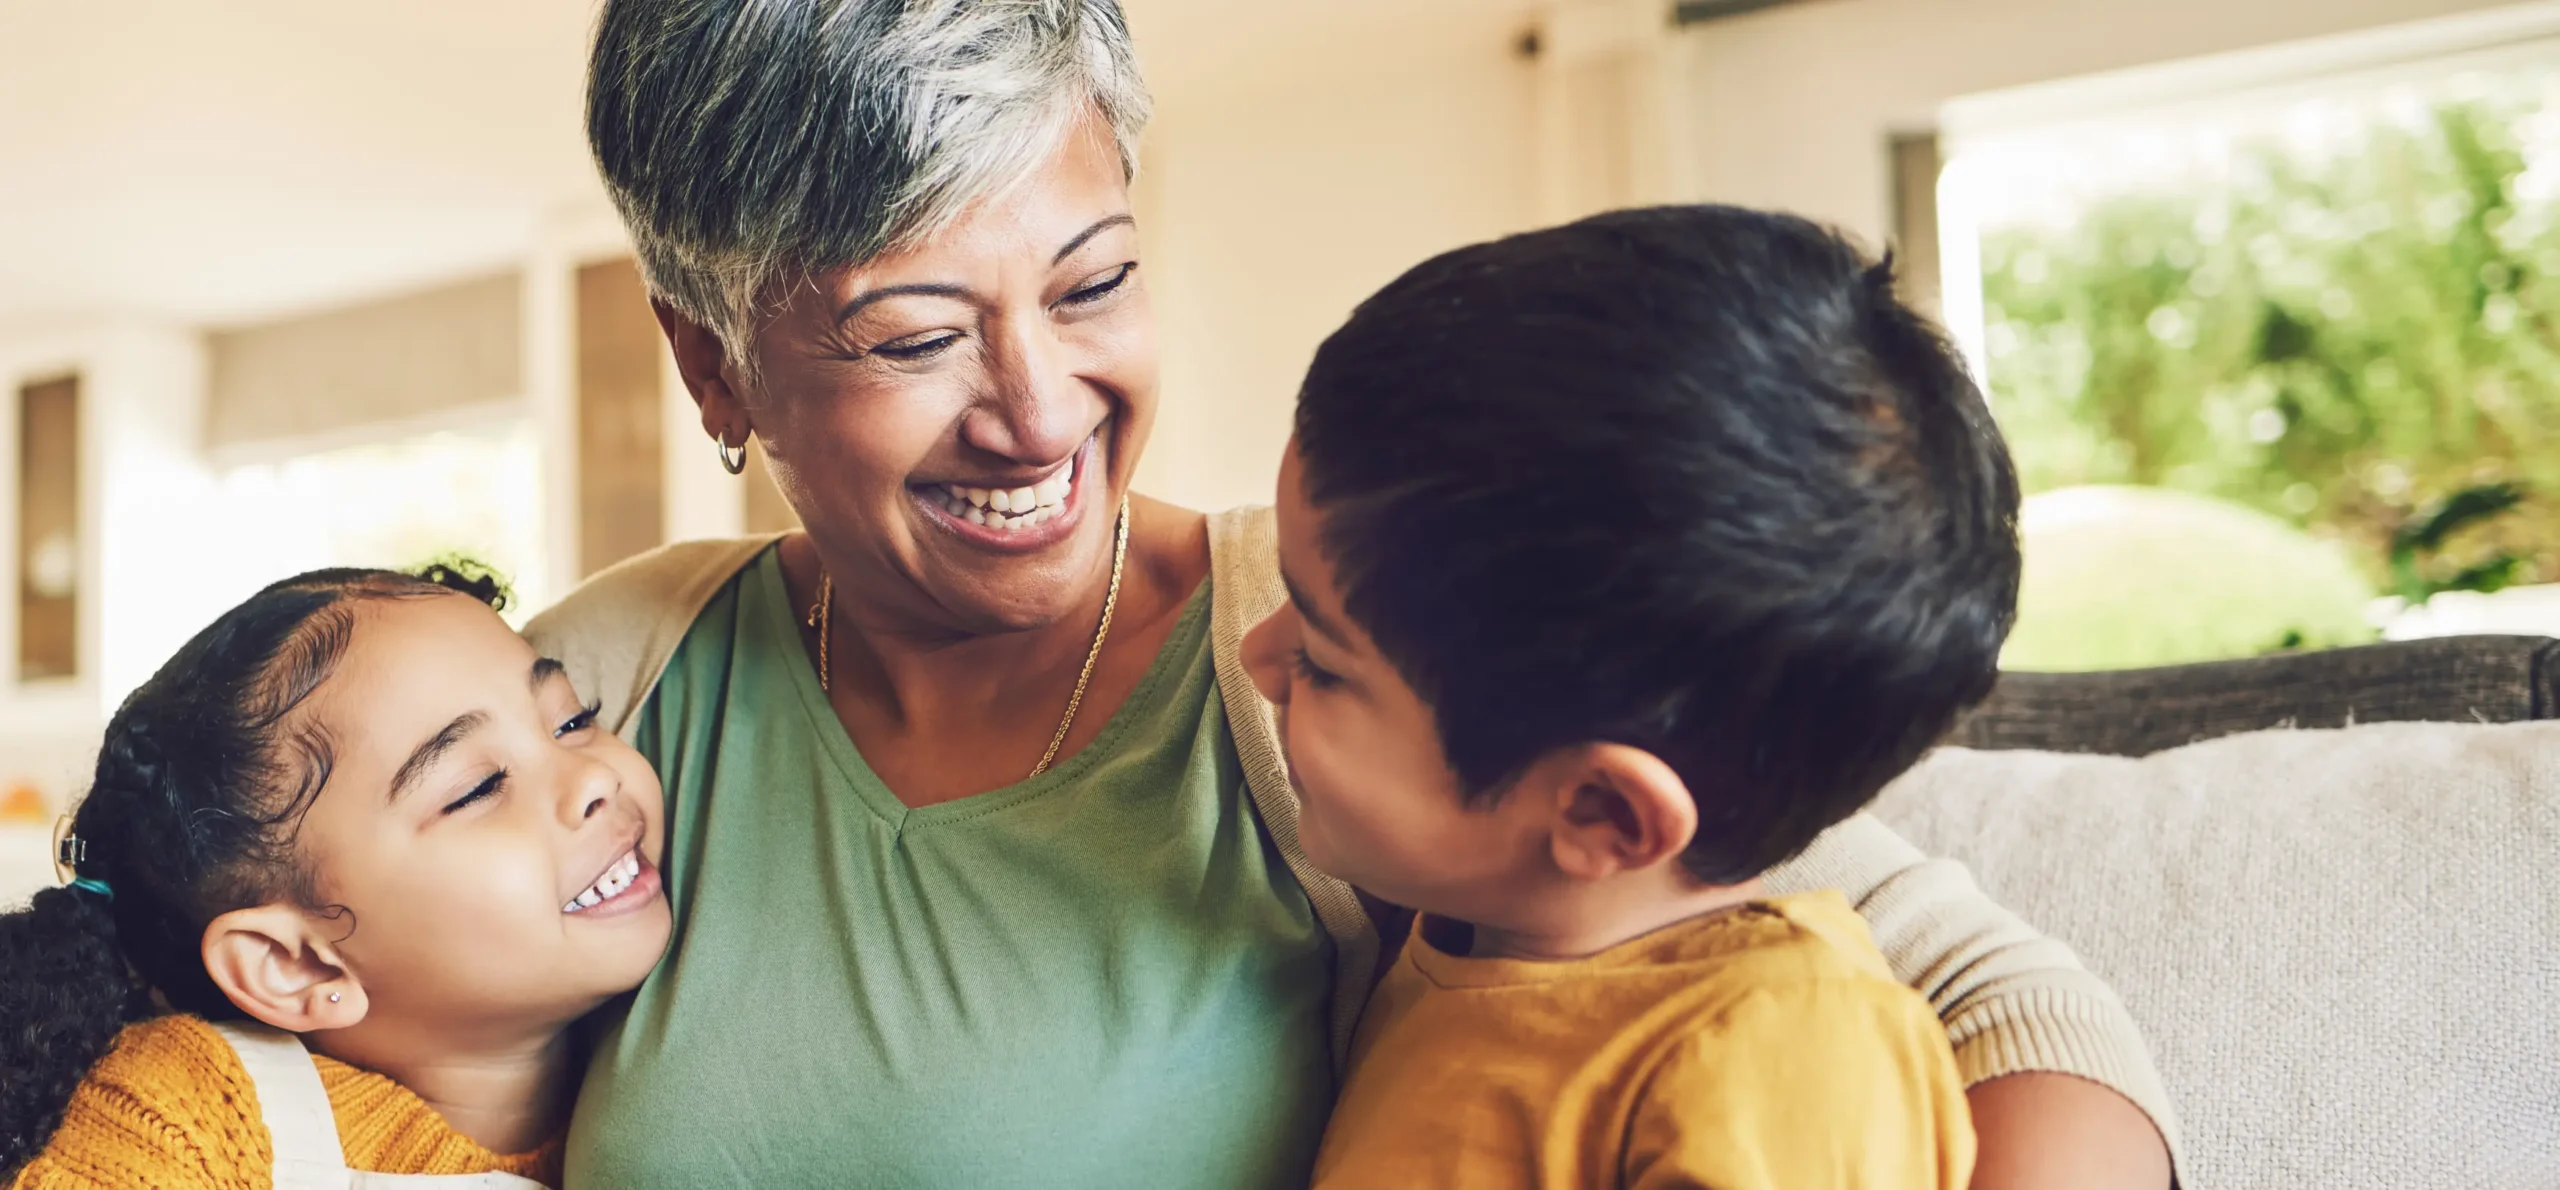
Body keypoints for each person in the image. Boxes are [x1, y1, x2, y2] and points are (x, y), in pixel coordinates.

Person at [536, 2, 2179, 1186]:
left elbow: (1980, 997)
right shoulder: (599, 691)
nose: (1039, 409)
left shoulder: (1369, 644)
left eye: (1094, 280)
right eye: (914, 336)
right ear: (715, 363)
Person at [1243, 204, 2005, 1188]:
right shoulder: (1463, 935)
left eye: (1321, 661)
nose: (1258, 659)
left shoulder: (1777, 1051)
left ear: (1600, 812)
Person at [1, 565, 669, 1189]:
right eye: (479, 787)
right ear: (296, 964)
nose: (595, 776)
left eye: (573, 720)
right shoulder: (189, 1120)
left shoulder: (680, 1072)